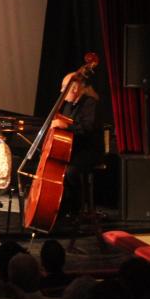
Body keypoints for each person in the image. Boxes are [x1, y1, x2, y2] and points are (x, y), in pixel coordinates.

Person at [50, 72, 101, 219]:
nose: (61, 91)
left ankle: (76, 209)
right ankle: (60, 208)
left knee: (70, 172)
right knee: (58, 169)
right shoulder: (68, 105)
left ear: (75, 88)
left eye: (64, 87)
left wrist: (66, 126)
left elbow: (88, 128)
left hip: (88, 150)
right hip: (73, 149)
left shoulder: (90, 103)